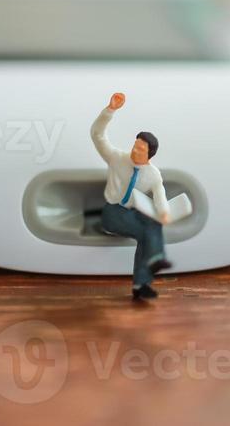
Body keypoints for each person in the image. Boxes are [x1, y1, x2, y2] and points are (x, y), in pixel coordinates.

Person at [91, 91, 173, 301]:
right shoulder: (117, 158)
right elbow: (97, 135)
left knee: (154, 224)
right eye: (135, 146)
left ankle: (141, 284)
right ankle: (154, 259)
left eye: (140, 150)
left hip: (133, 211)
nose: (135, 151)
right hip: (112, 212)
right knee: (146, 233)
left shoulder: (153, 174)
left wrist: (163, 212)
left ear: (149, 155)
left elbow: (159, 193)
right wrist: (110, 111)